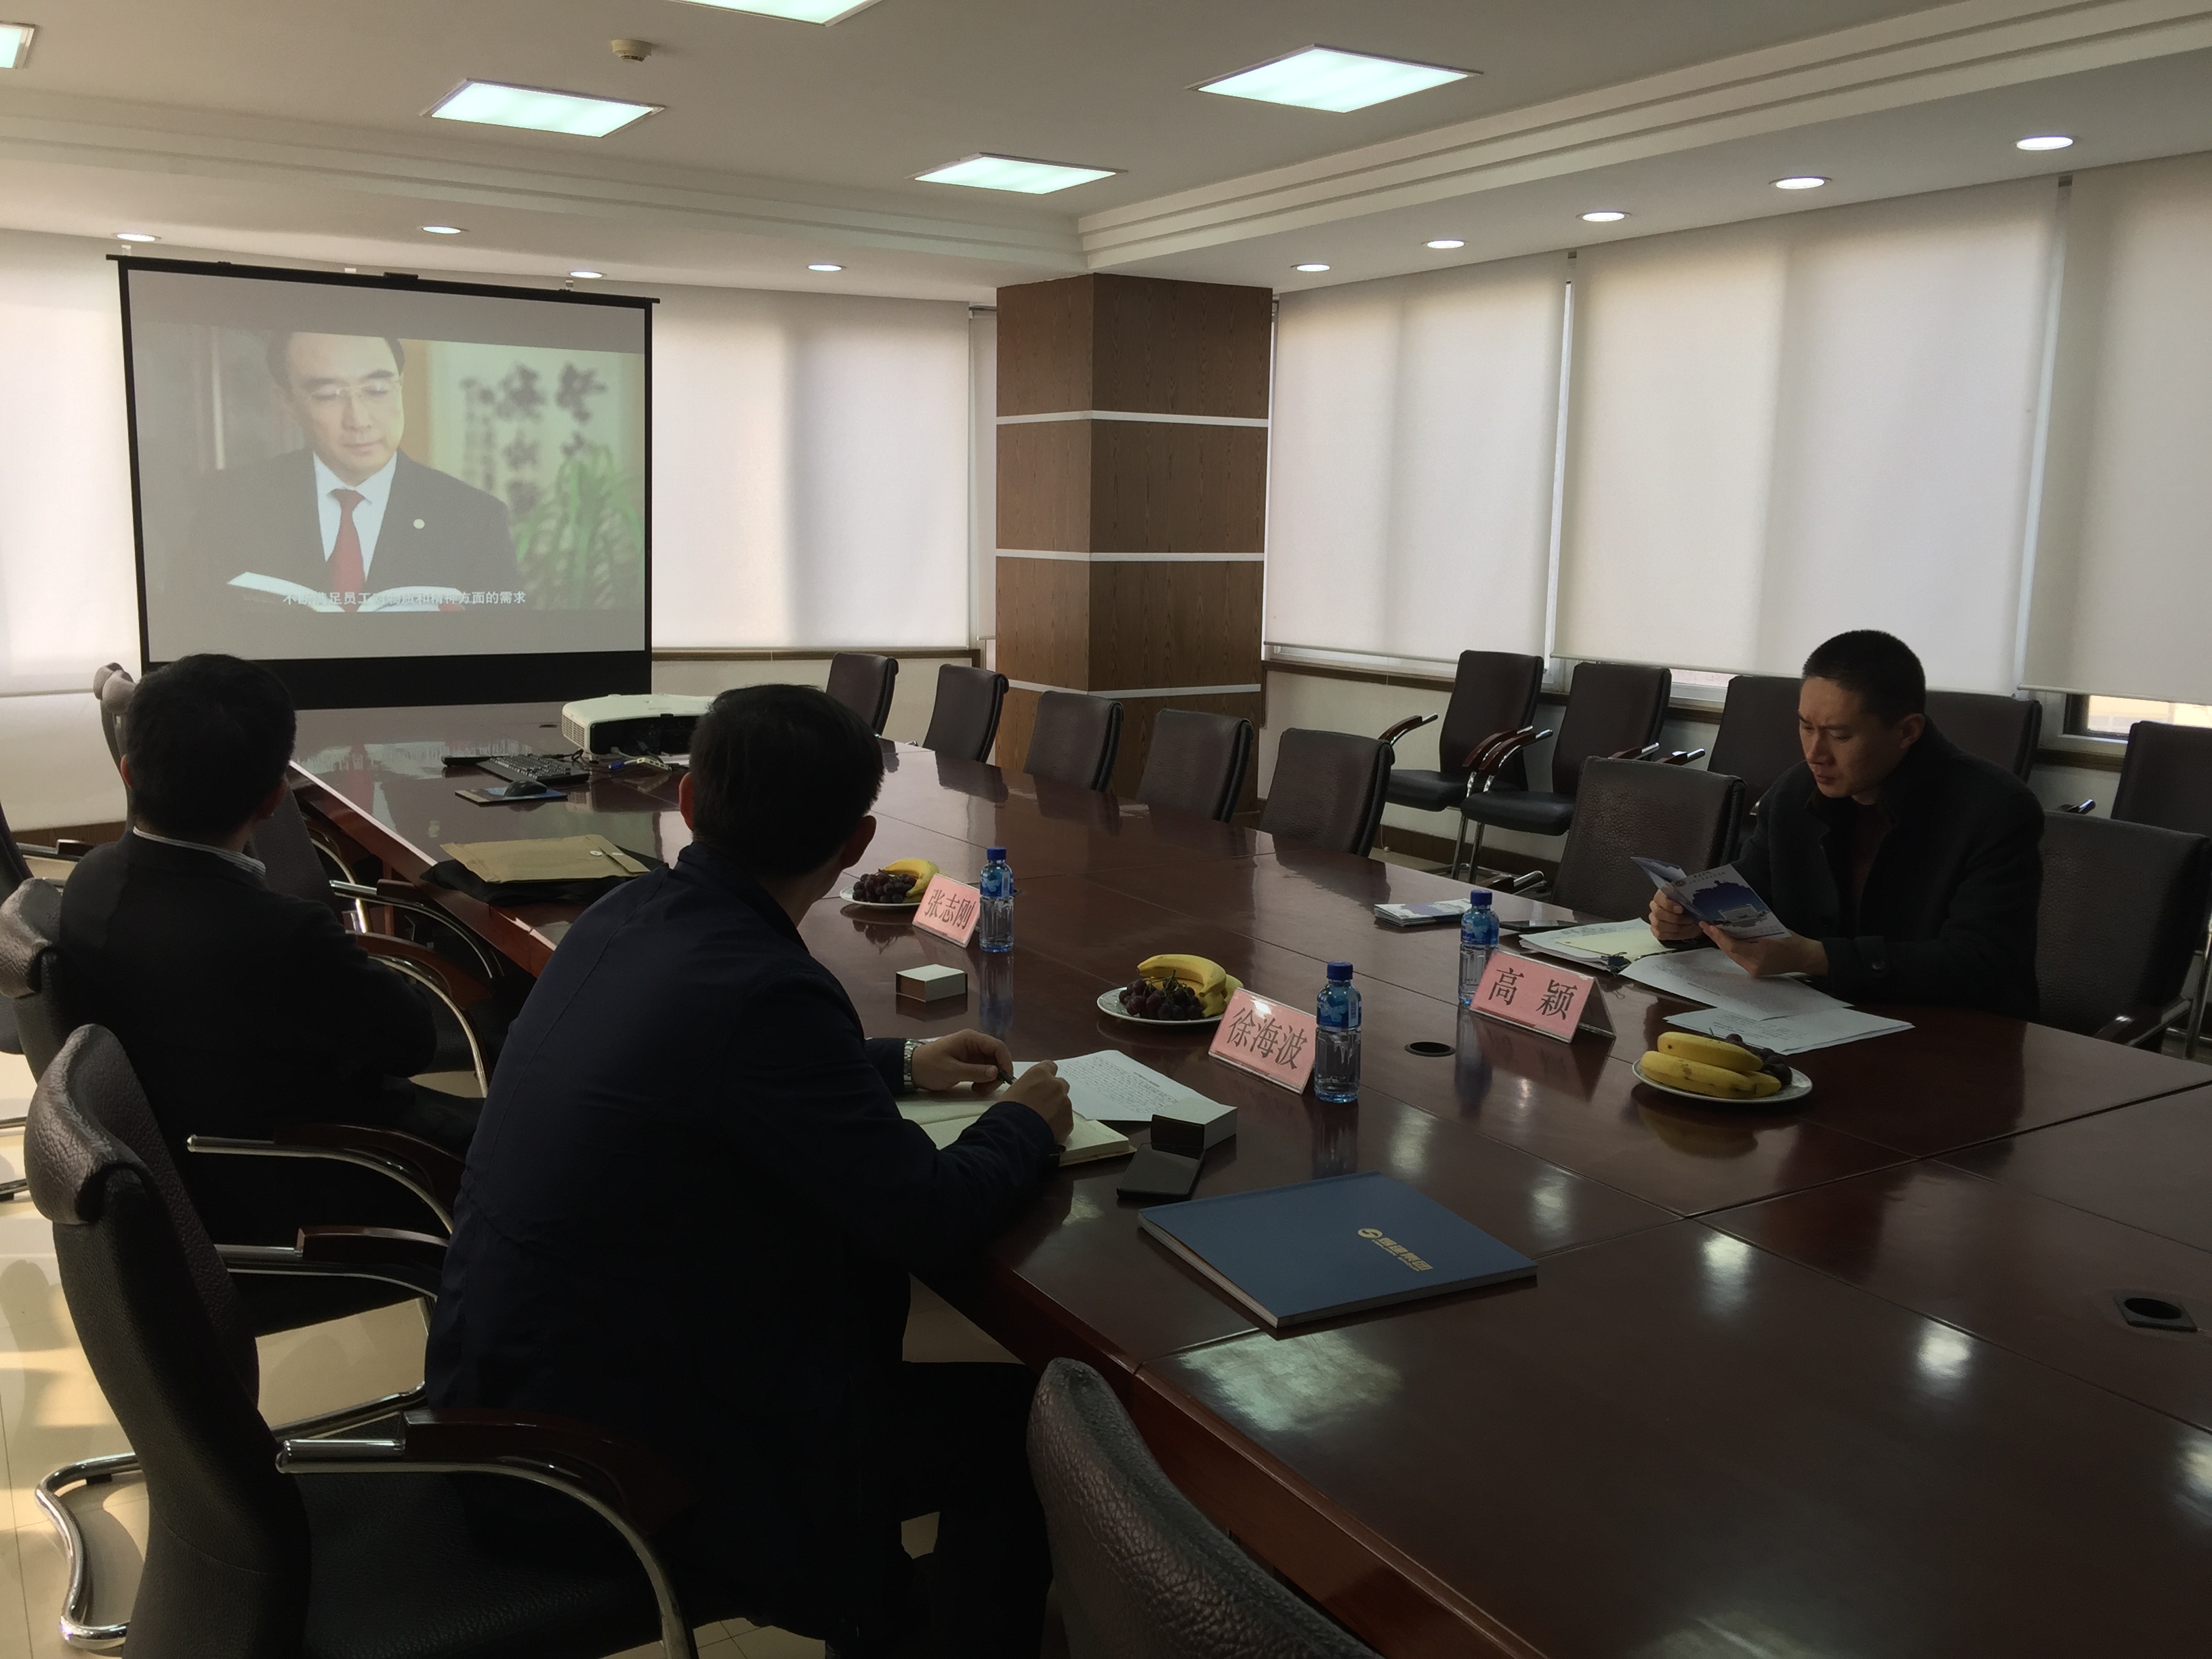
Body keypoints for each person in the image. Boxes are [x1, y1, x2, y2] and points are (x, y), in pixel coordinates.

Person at [425, 684, 1071, 1658]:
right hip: (612, 1459)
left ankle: (896, 1610)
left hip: (505, 1393)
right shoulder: (766, 991)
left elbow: (711, 1070)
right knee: (1025, 1427)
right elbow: (928, 1216)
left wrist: (899, 1062)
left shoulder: (626, 913)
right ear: (856, 844)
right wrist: (1022, 1125)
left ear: (687, 802)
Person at [58, 653, 476, 1241]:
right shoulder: (281, 935)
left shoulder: (87, 884)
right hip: (342, 1176)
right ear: (274, 799)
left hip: (192, 1177)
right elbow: (412, 1042)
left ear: (128, 773)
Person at [1647, 630, 2043, 1019]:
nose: (1814, 753)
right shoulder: (1794, 793)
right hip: (1814, 1022)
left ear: (1907, 731)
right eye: (1806, 727)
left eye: (1839, 735)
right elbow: (1752, 894)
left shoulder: (1995, 809)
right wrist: (1694, 920)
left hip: (1954, 1036)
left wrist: (1819, 958)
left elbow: (1981, 965)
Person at [190, 331, 522, 609]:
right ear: (287, 404)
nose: (359, 420)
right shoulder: (228, 502)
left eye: (377, 391)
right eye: (328, 396)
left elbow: (504, 640)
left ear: (400, 387)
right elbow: (189, 622)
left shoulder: (475, 517)